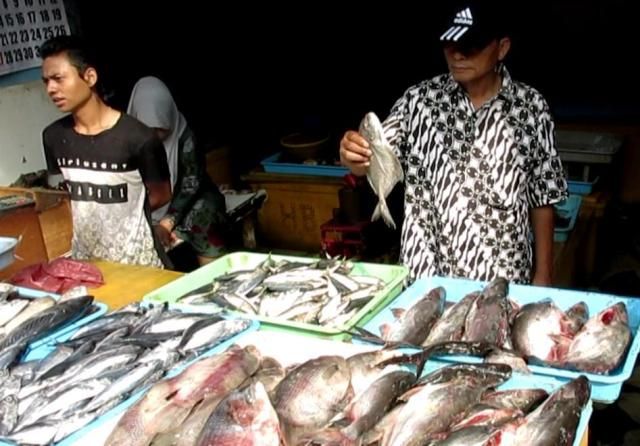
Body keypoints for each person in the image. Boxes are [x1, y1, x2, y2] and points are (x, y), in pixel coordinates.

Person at [339, 0, 567, 285]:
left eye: (471, 46)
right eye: (450, 44)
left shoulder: (530, 107)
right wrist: (353, 156)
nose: (457, 54)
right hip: (427, 276)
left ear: (502, 48)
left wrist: (543, 273)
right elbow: (376, 159)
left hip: (502, 278)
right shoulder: (418, 101)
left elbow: (542, 196)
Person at [40, 36, 173, 268]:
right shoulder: (53, 137)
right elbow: (65, 198)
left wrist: (122, 214)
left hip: (138, 264)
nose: (51, 89)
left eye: (58, 79)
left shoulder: (138, 137)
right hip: (87, 265)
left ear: (90, 77)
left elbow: (162, 193)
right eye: (46, 81)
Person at [127, 76, 229, 262]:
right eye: (149, 129)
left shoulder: (186, 138)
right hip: (149, 205)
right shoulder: (127, 140)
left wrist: (167, 223)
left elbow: (190, 186)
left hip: (189, 199)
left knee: (203, 216)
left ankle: (214, 272)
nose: (155, 136)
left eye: (161, 128)